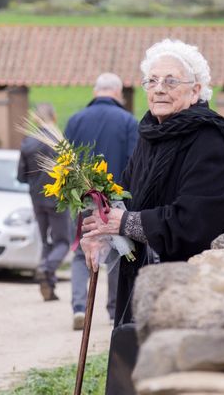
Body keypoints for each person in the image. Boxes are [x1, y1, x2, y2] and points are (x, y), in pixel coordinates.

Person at [80, 39, 224, 394]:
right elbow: (127, 200)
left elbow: (197, 221)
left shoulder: (209, 139)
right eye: (152, 80)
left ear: (196, 90)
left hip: (193, 289)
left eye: (171, 81)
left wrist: (124, 223)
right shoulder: (150, 133)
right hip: (145, 282)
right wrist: (102, 232)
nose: (159, 88)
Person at [64, 73, 138, 329]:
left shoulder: (75, 120)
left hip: (80, 198)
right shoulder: (128, 121)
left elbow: (64, 162)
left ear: (96, 91)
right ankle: (112, 311)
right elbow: (134, 163)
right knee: (118, 250)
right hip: (115, 199)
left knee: (79, 252)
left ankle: (78, 307)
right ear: (118, 93)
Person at [18, 103, 73, 302]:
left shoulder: (28, 142)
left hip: (36, 198)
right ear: (54, 116)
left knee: (46, 241)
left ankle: (48, 285)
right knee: (63, 241)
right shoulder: (60, 140)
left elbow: (21, 177)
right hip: (57, 197)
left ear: (35, 118)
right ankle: (46, 268)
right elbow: (70, 170)